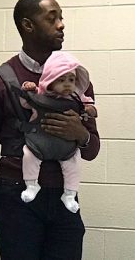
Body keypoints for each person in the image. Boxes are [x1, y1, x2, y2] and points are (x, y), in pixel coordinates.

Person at [0, 0, 100, 260]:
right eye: (52, 18)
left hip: (64, 197)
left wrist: (81, 134)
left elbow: (92, 149)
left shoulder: (76, 82)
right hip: (14, 197)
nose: (61, 24)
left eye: (61, 18)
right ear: (28, 25)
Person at [19, 51, 97, 213]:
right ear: (50, 81)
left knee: (73, 163)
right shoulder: (40, 95)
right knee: (28, 154)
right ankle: (31, 184)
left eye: (71, 80)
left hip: (66, 147)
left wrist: (90, 110)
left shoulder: (78, 98)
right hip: (40, 141)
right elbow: (26, 102)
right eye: (61, 80)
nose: (68, 84)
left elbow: (88, 105)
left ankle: (69, 194)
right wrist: (28, 89)